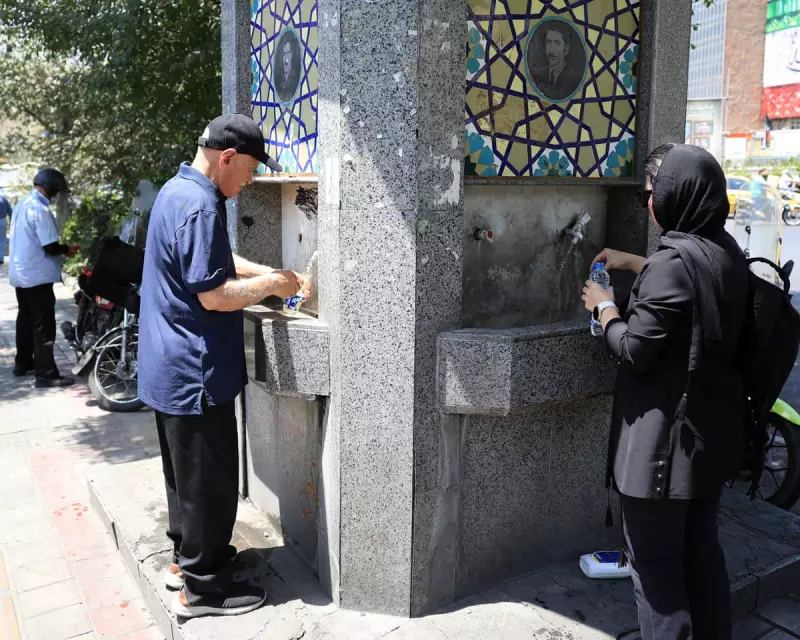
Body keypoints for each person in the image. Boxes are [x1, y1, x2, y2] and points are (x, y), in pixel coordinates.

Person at [138, 113, 310, 619]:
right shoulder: (200, 204)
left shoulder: (178, 191)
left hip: (166, 365)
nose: (251, 181)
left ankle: (184, 562)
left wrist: (273, 272)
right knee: (209, 483)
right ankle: (205, 590)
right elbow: (213, 294)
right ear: (227, 157)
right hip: (195, 373)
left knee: (184, 479)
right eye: (251, 170)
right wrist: (274, 287)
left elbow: (212, 259)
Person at [583, 144, 748, 639]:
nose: (648, 204)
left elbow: (634, 349)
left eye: (651, 194)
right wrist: (639, 262)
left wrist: (604, 307)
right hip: (709, 444)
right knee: (702, 561)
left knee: (656, 581)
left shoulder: (670, 265)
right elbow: (687, 300)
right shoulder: (724, 249)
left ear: (678, 194)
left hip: (662, 457)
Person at [9, 169, 79, 386]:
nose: (57, 197)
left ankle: (23, 363)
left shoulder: (23, 203)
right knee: (43, 325)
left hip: (21, 274)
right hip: (37, 276)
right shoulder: (40, 209)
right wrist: (67, 249)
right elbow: (49, 247)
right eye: (57, 192)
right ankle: (46, 373)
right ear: (51, 188)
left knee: (25, 319)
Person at [529, 21, 583, 100]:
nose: (551, 50)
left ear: (566, 49)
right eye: (548, 42)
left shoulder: (575, 80)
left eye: (557, 43)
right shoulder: (537, 75)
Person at [0, 190, 11, 264]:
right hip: (2, 221)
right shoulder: (3, 198)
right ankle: (0, 258)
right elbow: (10, 211)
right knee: (2, 240)